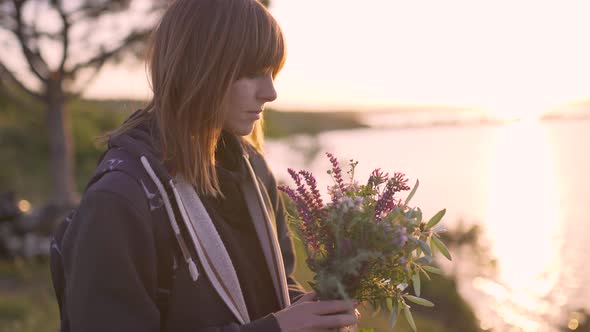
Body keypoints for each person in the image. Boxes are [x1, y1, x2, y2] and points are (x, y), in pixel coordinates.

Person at [49, 0, 360, 331]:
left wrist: (312, 314)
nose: (270, 92)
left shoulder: (254, 171)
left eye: (272, 73)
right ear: (199, 68)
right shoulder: (120, 200)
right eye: (252, 72)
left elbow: (274, 289)